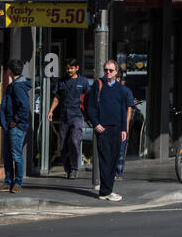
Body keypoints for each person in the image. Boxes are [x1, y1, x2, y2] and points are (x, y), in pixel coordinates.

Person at [87, 59, 134, 201]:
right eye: (106, 70)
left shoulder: (121, 90)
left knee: (114, 160)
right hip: (103, 128)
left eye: (111, 70)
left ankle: (107, 190)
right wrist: (96, 124)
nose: (108, 72)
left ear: (116, 72)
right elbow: (91, 107)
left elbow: (123, 111)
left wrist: (124, 129)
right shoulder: (98, 85)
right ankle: (105, 191)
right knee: (105, 159)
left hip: (117, 129)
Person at [47, 58, 90, 179]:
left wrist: (89, 115)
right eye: (67, 68)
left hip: (77, 116)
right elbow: (56, 97)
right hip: (64, 116)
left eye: (71, 68)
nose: (69, 70)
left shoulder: (83, 81)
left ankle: (75, 168)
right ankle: (68, 169)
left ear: (77, 68)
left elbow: (88, 98)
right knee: (63, 146)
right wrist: (51, 111)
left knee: (75, 142)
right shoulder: (62, 81)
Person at [0, 59, 32, 194]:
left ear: (10, 70)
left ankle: (17, 183)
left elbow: (24, 106)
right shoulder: (15, 85)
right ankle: (8, 182)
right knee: (8, 155)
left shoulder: (17, 87)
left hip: (16, 127)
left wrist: (15, 121)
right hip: (10, 125)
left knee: (16, 155)